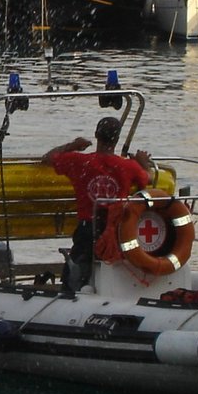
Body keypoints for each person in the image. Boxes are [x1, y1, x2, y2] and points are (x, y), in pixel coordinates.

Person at [40, 116, 155, 293]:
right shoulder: (128, 166)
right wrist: (143, 163)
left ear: (96, 135)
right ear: (116, 139)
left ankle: (74, 290)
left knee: (76, 273)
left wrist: (72, 145)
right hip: (118, 230)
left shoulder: (78, 161)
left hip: (87, 229)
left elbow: (47, 158)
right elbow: (149, 178)